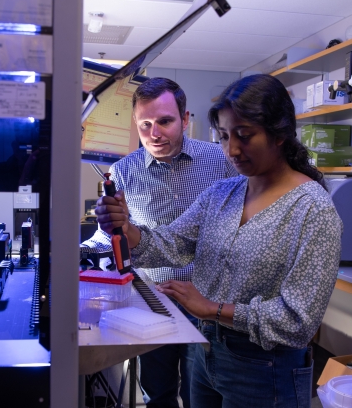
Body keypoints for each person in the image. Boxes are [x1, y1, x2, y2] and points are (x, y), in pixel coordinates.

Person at [95, 74, 343, 408]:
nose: (232, 150)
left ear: (279, 134)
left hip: (263, 368)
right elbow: (172, 243)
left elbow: (297, 321)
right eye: (225, 136)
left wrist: (213, 309)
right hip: (207, 353)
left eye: (244, 136)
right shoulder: (223, 193)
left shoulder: (312, 209)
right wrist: (126, 228)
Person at [80, 77, 238, 408]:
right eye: (145, 124)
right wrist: (87, 243)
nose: (155, 133)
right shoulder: (122, 171)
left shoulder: (221, 160)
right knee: (157, 393)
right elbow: (109, 237)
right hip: (153, 302)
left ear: (185, 119)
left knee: (201, 395)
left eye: (165, 121)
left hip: (207, 302)